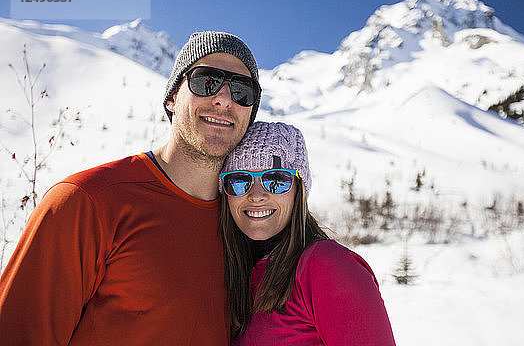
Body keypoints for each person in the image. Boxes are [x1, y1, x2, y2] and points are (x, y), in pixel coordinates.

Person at [0, 31, 262, 345]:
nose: (223, 98)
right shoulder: (87, 202)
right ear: (172, 99)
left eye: (241, 90)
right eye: (205, 81)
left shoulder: (248, 227)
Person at [219, 121, 396, 345]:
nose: (256, 195)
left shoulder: (325, 265)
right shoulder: (229, 273)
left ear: (299, 189)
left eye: (276, 180)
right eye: (239, 180)